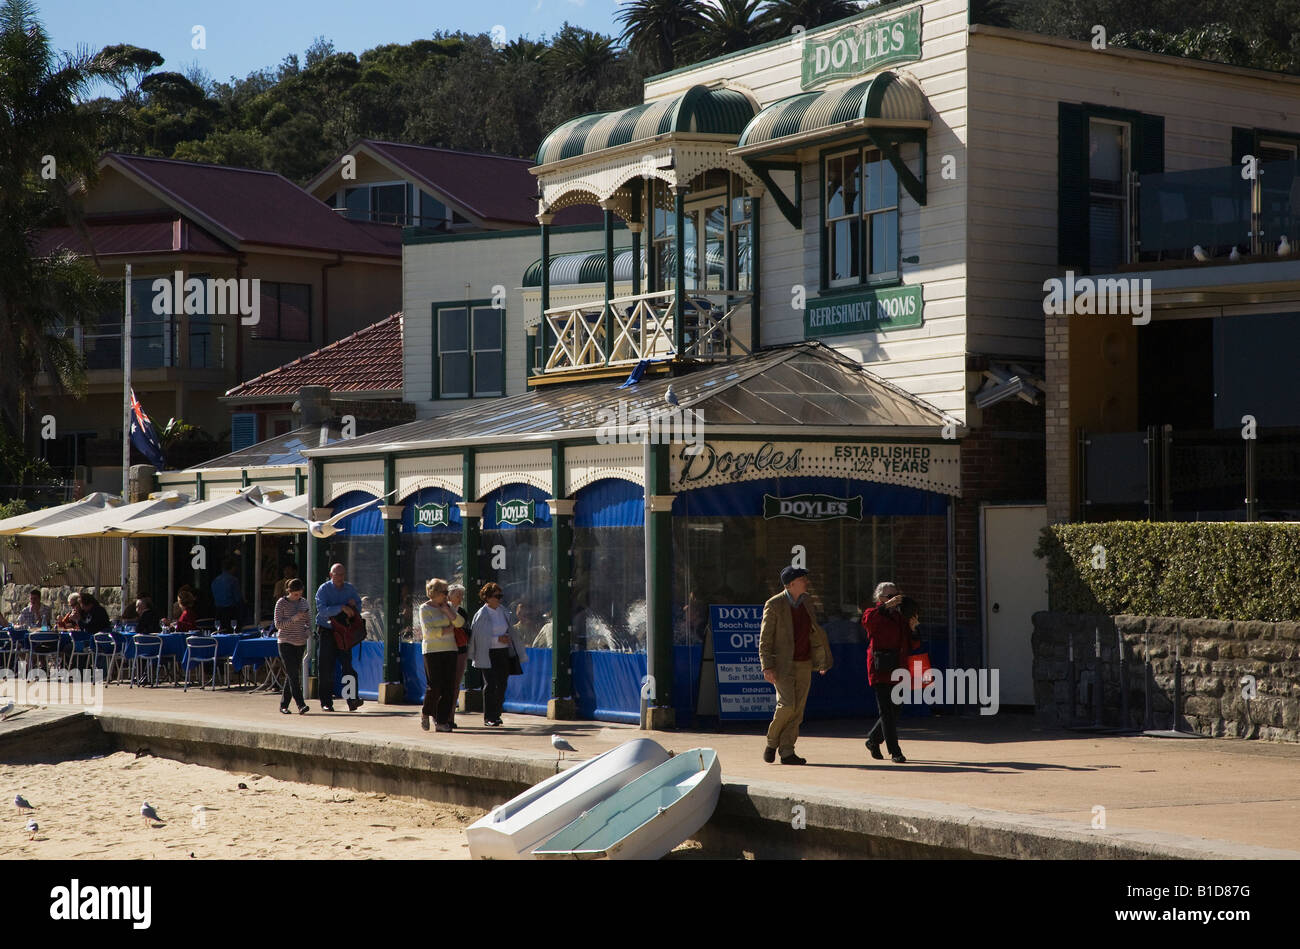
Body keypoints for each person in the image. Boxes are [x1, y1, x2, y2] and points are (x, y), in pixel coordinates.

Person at [759, 567, 833, 766]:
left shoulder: (807, 602)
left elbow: (814, 633)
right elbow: (765, 640)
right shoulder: (774, 604)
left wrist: (822, 661)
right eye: (802, 579)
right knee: (787, 705)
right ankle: (772, 741)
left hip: (804, 662)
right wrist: (767, 666)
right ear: (790, 584)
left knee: (798, 710)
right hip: (782, 664)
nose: (806, 582)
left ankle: (787, 751)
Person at [862, 582, 920, 764]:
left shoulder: (901, 617)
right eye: (889, 596)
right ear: (880, 599)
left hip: (899, 668)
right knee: (886, 711)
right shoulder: (872, 613)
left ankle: (873, 739)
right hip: (880, 668)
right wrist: (887, 606)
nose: (894, 600)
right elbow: (868, 623)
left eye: (896, 596)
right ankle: (895, 751)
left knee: (895, 710)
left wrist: (913, 628)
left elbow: (913, 644)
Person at [470, 582, 525, 727]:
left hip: (503, 652)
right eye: (496, 596)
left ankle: (497, 714)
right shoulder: (482, 614)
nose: (499, 599)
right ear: (487, 598)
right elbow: (478, 636)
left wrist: (508, 638)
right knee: (490, 684)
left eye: (501, 596)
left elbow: (510, 629)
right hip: (487, 653)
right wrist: (497, 639)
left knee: (502, 683)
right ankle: (489, 716)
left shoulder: (503, 611)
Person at [315, 562, 364, 712]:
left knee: (347, 665)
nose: (340, 578)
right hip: (327, 630)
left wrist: (353, 606)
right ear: (331, 575)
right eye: (337, 575)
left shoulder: (349, 589)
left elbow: (359, 605)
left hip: (344, 632)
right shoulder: (324, 589)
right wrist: (341, 607)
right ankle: (326, 702)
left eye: (342, 575)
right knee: (326, 667)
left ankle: (352, 700)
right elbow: (321, 610)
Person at [418, 579, 464, 733]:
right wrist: (446, 629)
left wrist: (447, 611)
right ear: (435, 593)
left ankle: (442, 721)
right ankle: (426, 712)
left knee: (449, 687)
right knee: (434, 685)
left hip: (450, 649)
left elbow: (459, 623)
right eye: (445, 592)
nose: (447, 595)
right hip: (432, 651)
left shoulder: (449, 607)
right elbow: (429, 632)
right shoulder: (424, 608)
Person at [274, 578, 311, 714]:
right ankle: (301, 704)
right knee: (293, 674)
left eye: (299, 594)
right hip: (285, 641)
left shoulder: (304, 602)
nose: (297, 597)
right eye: (295, 594)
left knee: (293, 674)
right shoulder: (281, 603)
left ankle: (284, 704)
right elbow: (278, 624)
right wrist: (294, 618)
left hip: (300, 642)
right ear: (289, 592)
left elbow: (308, 621)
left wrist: (307, 631)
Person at [447, 584, 470, 727]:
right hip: (445, 649)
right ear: (449, 596)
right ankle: (441, 715)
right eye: (457, 595)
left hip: (460, 650)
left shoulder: (462, 611)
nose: (460, 598)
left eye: (461, 595)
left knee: (456, 685)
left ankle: (451, 717)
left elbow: (464, 627)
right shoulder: (442, 609)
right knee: (444, 684)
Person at [210, 557, 243, 630]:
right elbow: (238, 599)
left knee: (220, 632)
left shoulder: (215, 581)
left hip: (218, 612)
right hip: (231, 612)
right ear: (233, 567)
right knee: (232, 632)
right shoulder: (233, 580)